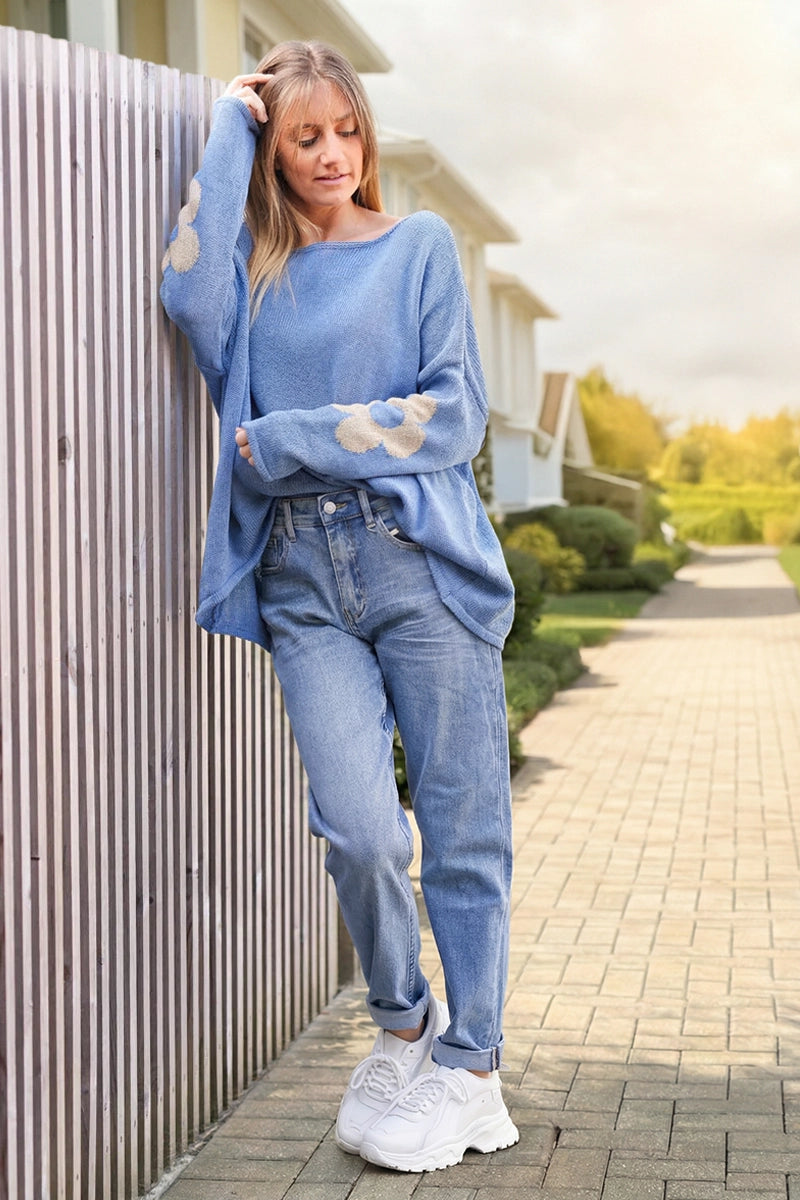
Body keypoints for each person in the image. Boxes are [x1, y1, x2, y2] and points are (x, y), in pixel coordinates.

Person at [160, 39, 518, 1174]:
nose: (327, 154)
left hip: (417, 560)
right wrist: (228, 117)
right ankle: (405, 1022)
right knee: (358, 831)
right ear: (273, 149)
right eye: (300, 135)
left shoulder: (417, 248)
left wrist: (291, 440)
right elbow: (183, 286)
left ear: (364, 137)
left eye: (343, 131)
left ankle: (470, 1066)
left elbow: (449, 416)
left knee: (461, 827)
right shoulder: (256, 278)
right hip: (301, 579)